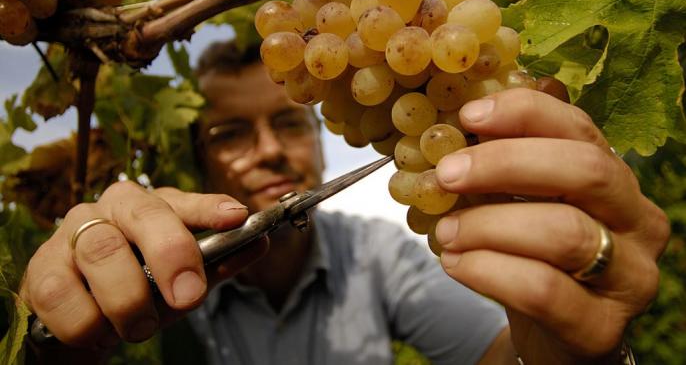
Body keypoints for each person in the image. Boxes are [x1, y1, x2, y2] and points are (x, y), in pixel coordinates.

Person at [20, 40, 669, 364]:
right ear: (197, 161)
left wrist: (566, 353)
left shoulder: (377, 256)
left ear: (330, 139)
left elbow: (503, 356)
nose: (271, 151)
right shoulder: (152, 264)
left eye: (292, 123)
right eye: (231, 133)